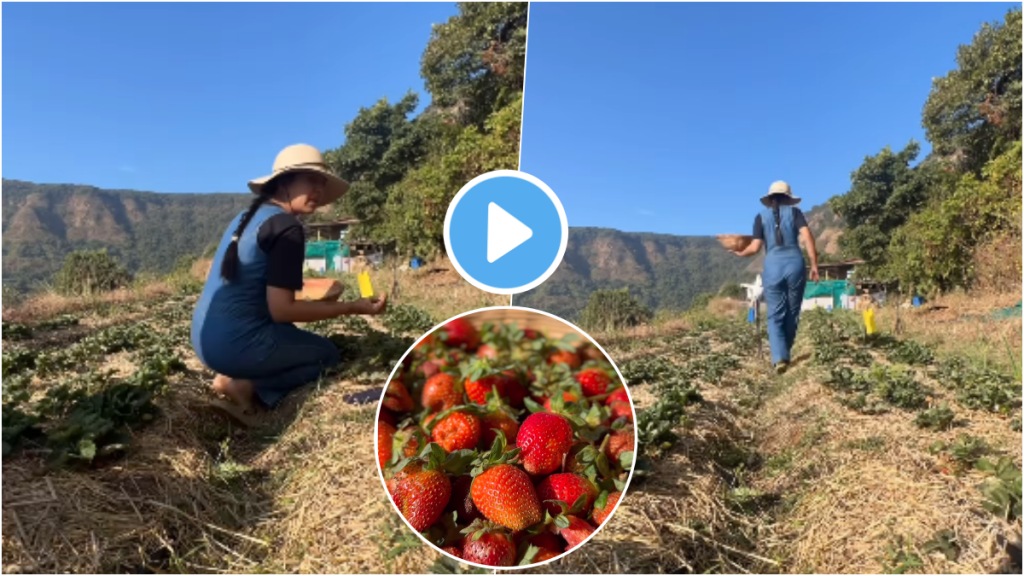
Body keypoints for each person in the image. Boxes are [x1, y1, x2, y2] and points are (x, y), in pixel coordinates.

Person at [191, 143, 388, 424]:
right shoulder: (287, 228)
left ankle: (230, 376)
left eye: (322, 183)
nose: (319, 191)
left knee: (287, 333)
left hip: (203, 339)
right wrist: (352, 307)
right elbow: (282, 310)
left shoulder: (246, 218)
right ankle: (248, 387)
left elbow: (259, 281)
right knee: (326, 354)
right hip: (234, 345)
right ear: (285, 181)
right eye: (312, 180)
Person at [731, 180, 819, 373]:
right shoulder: (795, 213)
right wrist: (813, 264)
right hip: (795, 264)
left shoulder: (760, 218)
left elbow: (754, 248)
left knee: (775, 313)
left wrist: (739, 253)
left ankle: (779, 357)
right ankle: (785, 351)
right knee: (792, 311)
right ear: (788, 198)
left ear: (769, 199)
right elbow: (807, 237)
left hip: (772, 266)